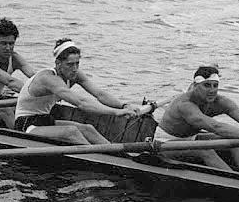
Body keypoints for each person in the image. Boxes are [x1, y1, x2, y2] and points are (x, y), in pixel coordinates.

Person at [12, 38, 150, 144]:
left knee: (88, 128)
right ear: (58, 64)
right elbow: (81, 103)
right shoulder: (48, 78)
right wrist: (116, 112)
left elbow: (100, 94)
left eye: (77, 63)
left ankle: (120, 157)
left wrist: (124, 106)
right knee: (70, 131)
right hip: (26, 125)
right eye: (70, 64)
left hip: (45, 120)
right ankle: (101, 160)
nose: (74, 69)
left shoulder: (74, 74)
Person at [153, 65, 239, 173]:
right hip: (164, 143)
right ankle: (236, 180)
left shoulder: (219, 101)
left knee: (237, 140)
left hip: (191, 138)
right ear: (195, 86)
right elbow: (216, 127)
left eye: (215, 85)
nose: (212, 90)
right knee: (204, 150)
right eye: (207, 85)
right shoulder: (185, 105)